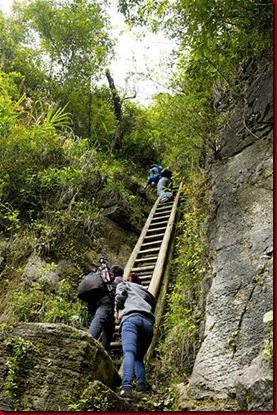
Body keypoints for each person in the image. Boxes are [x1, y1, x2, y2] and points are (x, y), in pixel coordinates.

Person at [115, 272, 156, 400]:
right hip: (148, 324)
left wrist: (117, 311)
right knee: (139, 357)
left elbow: (120, 297)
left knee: (129, 352)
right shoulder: (146, 292)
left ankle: (126, 387)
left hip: (130, 319)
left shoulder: (124, 284)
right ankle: (141, 386)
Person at [88, 265, 124, 353]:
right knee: (99, 320)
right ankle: (87, 343)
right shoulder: (119, 280)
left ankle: (104, 351)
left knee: (109, 326)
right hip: (107, 302)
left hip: (95, 302)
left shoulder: (104, 280)